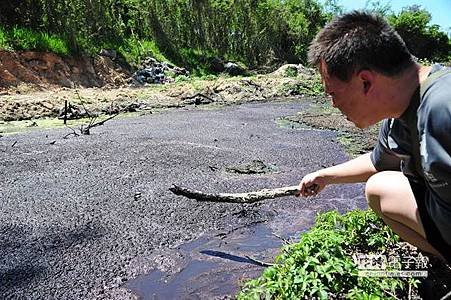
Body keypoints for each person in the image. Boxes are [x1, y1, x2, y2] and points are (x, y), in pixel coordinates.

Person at [297, 11, 451, 263]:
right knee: (379, 187)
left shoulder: (443, 106)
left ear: (365, 82)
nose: (333, 104)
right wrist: (325, 176)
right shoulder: (397, 115)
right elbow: (378, 162)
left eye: (333, 93)